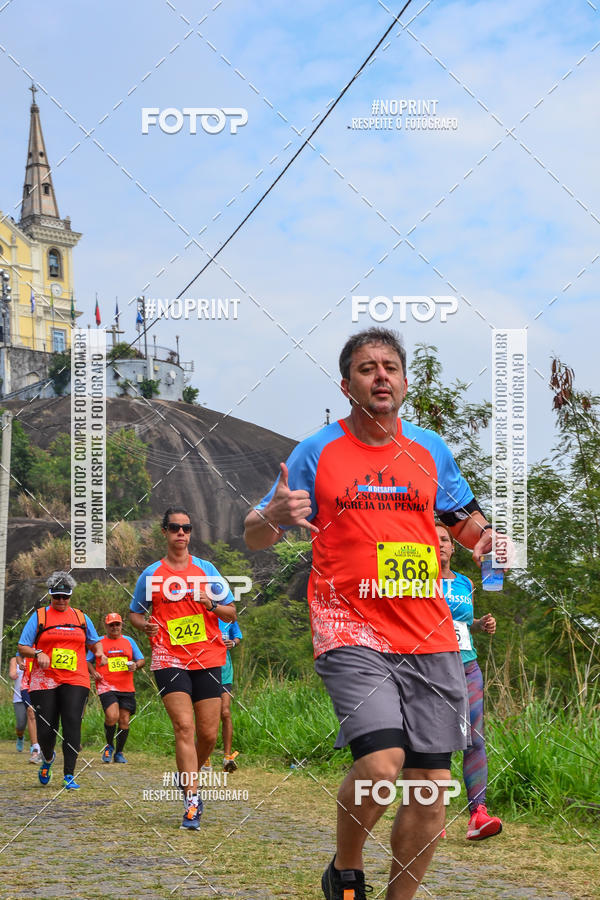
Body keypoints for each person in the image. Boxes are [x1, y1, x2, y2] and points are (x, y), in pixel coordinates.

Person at [244, 327, 508, 900]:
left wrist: (488, 542)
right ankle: (346, 868)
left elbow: (466, 522)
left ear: (406, 383)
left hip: (431, 634)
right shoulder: (318, 451)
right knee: (383, 763)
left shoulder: (431, 450)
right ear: (347, 385)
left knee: (431, 785)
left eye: (390, 366)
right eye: (367, 368)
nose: (380, 375)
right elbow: (254, 534)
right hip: (350, 626)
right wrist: (276, 516)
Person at [129, 507, 237, 830]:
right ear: (164, 532)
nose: (181, 533)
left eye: (186, 528)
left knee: (208, 733)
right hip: (168, 657)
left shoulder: (207, 570)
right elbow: (135, 613)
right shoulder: (151, 575)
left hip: (207, 657)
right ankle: (192, 800)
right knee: (184, 728)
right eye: (174, 527)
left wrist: (212, 605)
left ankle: (187, 772)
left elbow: (231, 613)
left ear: (190, 533)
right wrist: (144, 625)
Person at [436, 522, 503, 840]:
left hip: (468, 667)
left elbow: (462, 624)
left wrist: (481, 624)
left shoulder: (464, 582)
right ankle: (431, 815)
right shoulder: (414, 581)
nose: (440, 543)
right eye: (432, 539)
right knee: (435, 742)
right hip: (432, 669)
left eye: (445, 539)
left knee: (475, 739)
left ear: (452, 547)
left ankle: (478, 814)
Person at [18, 571, 107, 790]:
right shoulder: (40, 617)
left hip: (75, 678)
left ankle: (69, 775)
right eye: (56, 596)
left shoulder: (80, 617)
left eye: (65, 597)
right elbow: (22, 646)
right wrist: (38, 652)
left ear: (70, 596)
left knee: (72, 723)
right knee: (46, 729)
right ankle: (48, 759)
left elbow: (94, 642)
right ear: (50, 595)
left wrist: (100, 653)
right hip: (44, 678)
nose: (61, 601)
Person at [87, 612, 145, 764]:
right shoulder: (98, 642)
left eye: (117, 624)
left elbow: (141, 660)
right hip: (106, 686)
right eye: (111, 625)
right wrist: (93, 673)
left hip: (126, 687)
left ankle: (119, 752)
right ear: (106, 626)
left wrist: (135, 665)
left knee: (124, 720)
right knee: (112, 716)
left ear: (121, 625)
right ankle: (109, 746)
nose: (114, 627)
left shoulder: (129, 641)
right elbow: (87, 661)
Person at [219, 617, 243, 773]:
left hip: (224, 672)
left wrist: (233, 643)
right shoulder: (200, 613)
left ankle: (227, 757)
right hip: (204, 671)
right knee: (208, 716)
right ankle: (203, 756)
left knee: (225, 712)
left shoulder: (227, 617)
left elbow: (238, 636)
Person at [9, 653, 41, 761]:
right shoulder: (15, 659)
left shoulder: (36, 658)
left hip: (33, 693)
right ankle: (20, 737)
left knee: (33, 716)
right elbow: (12, 673)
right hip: (19, 696)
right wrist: (13, 674)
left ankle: (34, 746)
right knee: (21, 724)